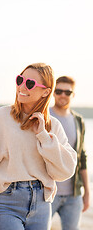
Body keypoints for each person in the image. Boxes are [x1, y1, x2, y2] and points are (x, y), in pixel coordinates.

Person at [0, 63, 78, 230]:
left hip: (42, 204)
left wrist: (43, 136)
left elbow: (65, 171)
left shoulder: (52, 126)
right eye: (20, 80)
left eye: (30, 83)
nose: (22, 86)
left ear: (46, 92)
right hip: (6, 202)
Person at [50, 76, 89, 230]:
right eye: (59, 91)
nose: (63, 95)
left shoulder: (78, 121)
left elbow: (82, 158)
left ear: (73, 95)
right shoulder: (45, 116)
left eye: (68, 92)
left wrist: (86, 192)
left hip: (73, 194)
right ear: (53, 93)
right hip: (47, 192)